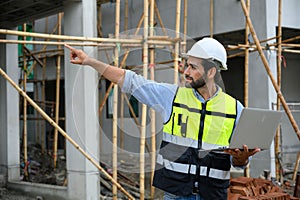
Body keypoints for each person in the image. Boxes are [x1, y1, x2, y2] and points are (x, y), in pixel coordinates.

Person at [65, 37, 260, 200]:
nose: (186, 72)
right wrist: (90, 61)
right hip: (175, 193)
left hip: (213, 194)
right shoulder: (172, 97)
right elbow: (131, 80)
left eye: (193, 67)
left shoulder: (235, 108)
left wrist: (242, 159)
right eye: (186, 66)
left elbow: (238, 161)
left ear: (211, 72)